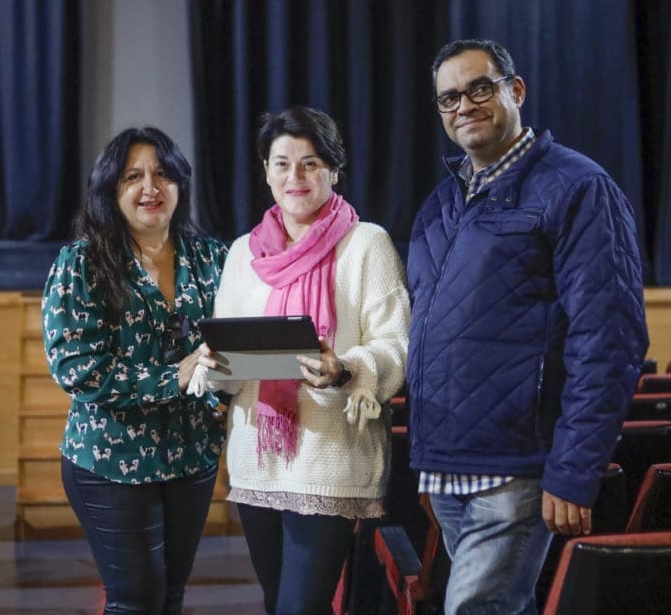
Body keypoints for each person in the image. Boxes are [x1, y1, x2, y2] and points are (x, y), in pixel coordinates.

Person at [405, 39, 649, 614]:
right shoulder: (441, 204)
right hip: (448, 466)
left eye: (479, 88)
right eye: (448, 98)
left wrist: (573, 470)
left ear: (516, 90)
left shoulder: (577, 186)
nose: (464, 105)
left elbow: (609, 340)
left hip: (518, 466)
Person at [190, 106, 410, 615]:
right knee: (278, 604)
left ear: (334, 170)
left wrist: (345, 368)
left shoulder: (366, 244)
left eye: (311, 163)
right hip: (257, 460)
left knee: (299, 607)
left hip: (330, 455)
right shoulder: (242, 253)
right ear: (266, 172)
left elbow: (395, 343)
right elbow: (230, 357)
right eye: (283, 163)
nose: (296, 176)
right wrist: (213, 367)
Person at [41, 127, 228, 615]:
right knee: (135, 602)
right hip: (111, 460)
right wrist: (175, 376)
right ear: (111, 189)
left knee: (170, 598)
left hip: (192, 455)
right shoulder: (81, 262)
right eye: (133, 176)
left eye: (163, 174)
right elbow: (77, 369)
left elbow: (233, 346)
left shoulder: (212, 258)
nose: (151, 187)